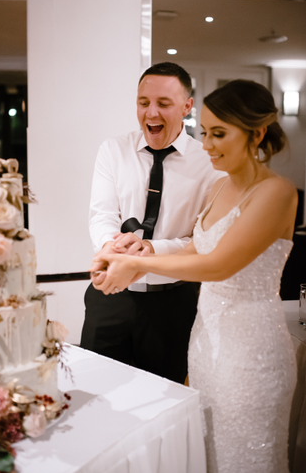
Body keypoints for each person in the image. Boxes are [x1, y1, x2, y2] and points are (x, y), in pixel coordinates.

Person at [90, 79, 297, 473]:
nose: (207, 145)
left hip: (252, 351)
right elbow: (193, 248)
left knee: (247, 456)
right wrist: (137, 250)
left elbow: (219, 264)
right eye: (204, 132)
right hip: (207, 344)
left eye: (219, 133)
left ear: (256, 133)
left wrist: (140, 266)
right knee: (207, 452)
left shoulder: (277, 192)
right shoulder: (221, 188)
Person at [80, 62, 223, 384]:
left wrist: (148, 249)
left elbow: (201, 239)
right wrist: (113, 249)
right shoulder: (113, 150)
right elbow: (102, 214)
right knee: (95, 390)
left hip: (173, 303)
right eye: (143, 103)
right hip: (111, 294)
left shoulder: (210, 164)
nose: (151, 113)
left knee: (162, 397)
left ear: (187, 106)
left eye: (164, 103)